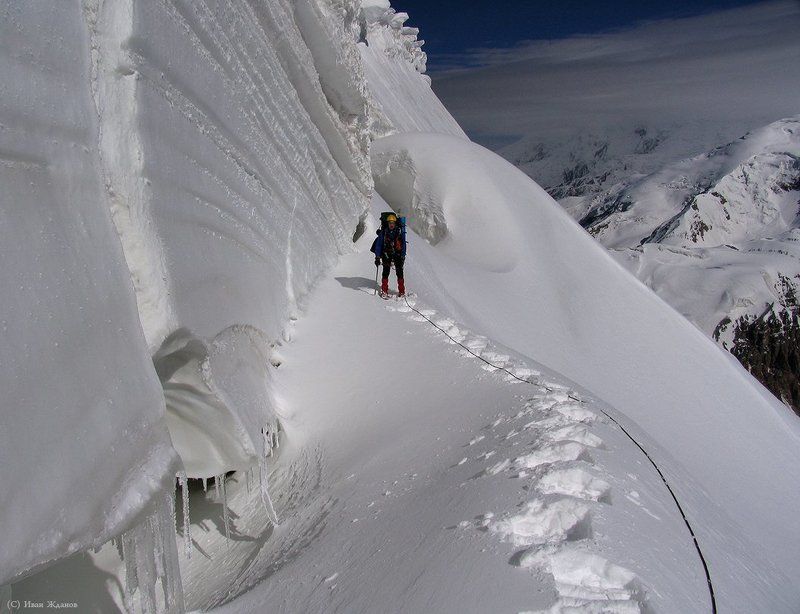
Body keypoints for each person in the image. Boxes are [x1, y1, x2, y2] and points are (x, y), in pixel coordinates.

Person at [371, 213, 406, 298]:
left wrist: (402, 255)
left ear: (395, 223)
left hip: (397, 254)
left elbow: (403, 245)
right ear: (387, 223)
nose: (391, 225)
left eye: (393, 223)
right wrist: (377, 257)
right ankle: (384, 291)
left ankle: (401, 291)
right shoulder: (384, 233)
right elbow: (379, 245)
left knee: (399, 272)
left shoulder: (399, 232)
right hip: (386, 254)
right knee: (386, 272)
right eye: (390, 223)